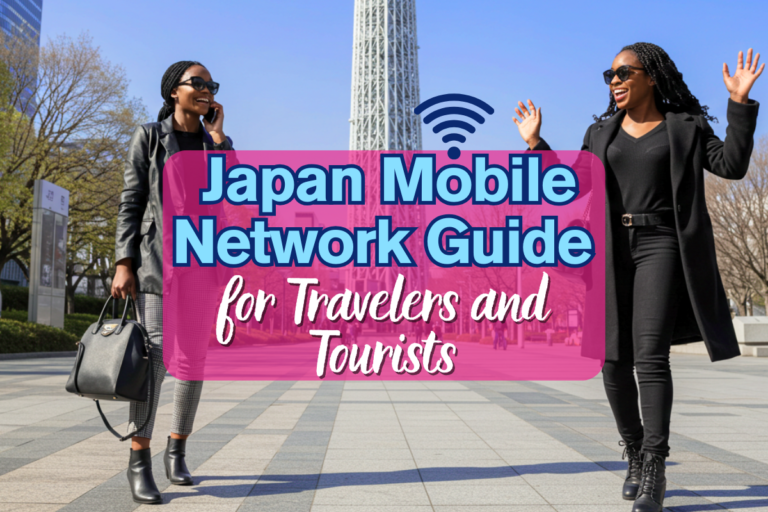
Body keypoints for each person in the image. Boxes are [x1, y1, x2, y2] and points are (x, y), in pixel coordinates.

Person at [513, 44, 762, 512]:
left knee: (648, 356)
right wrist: (536, 148)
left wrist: (740, 104)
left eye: (624, 71)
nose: (615, 80)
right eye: (609, 74)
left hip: (662, 243)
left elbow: (732, 165)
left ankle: (654, 464)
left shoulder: (682, 128)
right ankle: (632, 450)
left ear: (652, 75)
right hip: (610, 250)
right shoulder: (600, 132)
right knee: (611, 360)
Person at [112, 60, 233, 504]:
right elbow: (131, 201)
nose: (205, 90)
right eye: (196, 83)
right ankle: (139, 459)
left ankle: (177, 449)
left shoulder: (214, 144)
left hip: (201, 266)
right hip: (156, 264)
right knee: (157, 358)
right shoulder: (149, 137)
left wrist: (218, 139)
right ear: (173, 92)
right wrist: (124, 260)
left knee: (195, 361)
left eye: (210, 85)